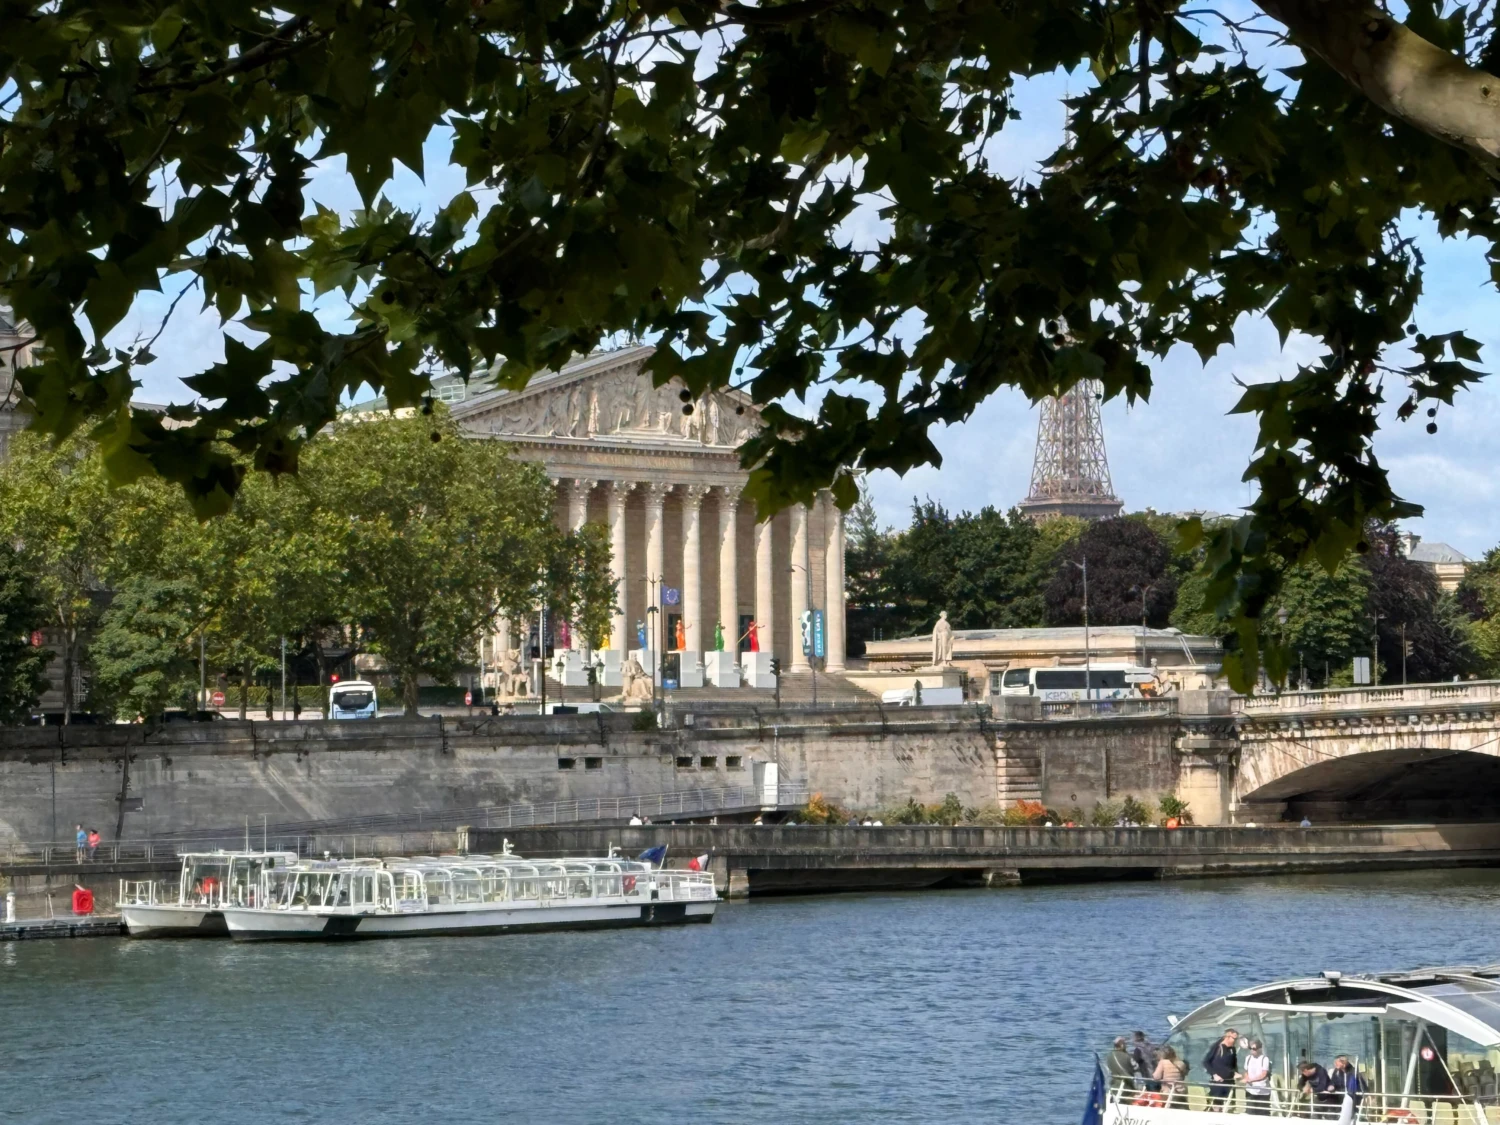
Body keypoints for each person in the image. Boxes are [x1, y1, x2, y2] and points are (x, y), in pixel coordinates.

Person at [1203, 1028, 1240, 1110]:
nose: (1235, 1041)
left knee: (1231, 1105)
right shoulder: (1217, 1047)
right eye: (1234, 1038)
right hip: (1218, 1082)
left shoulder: (1232, 1049)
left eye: (1236, 1039)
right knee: (1217, 1105)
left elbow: (1234, 1064)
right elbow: (1206, 1062)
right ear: (1227, 1037)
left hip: (1230, 1081)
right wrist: (1214, 1074)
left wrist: (1236, 1073)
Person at [1243, 1039, 1273, 1115]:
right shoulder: (1248, 1058)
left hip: (1262, 1091)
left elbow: (1264, 1074)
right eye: (1250, 1048)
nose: (1252, 1051)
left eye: (1254, 1049)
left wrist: (1252, 1080)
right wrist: (1246, 1078)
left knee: (1263, 1113)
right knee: (1250, 1112)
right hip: (1250, 1090)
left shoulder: (1264, 1059)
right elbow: (1246, 1071)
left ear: (1259, 1049)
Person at [1331, 1056, 1362, 1120]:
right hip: (1340, 1098)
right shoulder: (1336, 1072)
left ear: (1344, 1063)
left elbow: (1360, 1085)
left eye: (1337, 1062)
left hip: (1352, 1099)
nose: (1335, 1064)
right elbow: (1333, 1082)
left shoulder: (1353, 1072)